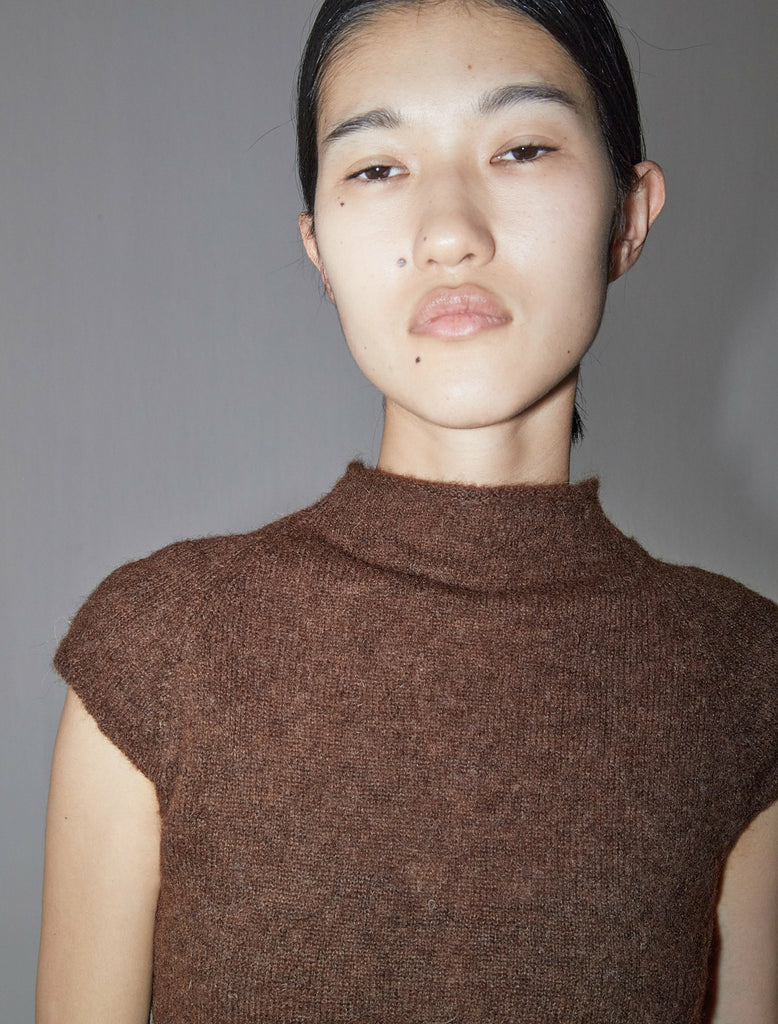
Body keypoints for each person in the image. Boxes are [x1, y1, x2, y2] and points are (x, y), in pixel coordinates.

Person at [36, 0, 778, 1021]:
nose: (449, 233)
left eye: (521, 148)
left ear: (629, 213)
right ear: (318, 250)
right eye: (378, 167)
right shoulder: (156, 649)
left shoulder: (744, 681)